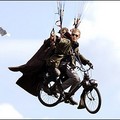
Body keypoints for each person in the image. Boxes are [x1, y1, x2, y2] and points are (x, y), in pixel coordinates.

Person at [46, 27, 93, 106]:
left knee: (78, 81)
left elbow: (78, 55)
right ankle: (58, 89)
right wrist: (55, 38)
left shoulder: (75, 46)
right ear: (70, 35)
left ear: (79, 37)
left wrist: (87, 62)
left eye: (76, 35)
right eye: (73, 35)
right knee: (76, 78)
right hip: (63, 64)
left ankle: (69, 95)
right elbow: (60, 41)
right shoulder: (67, 41)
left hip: (70, 66)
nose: (74, 36)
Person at [8, 29, 58, 96]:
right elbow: (47, 43)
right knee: (34, 67)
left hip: (49, 63)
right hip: (42, 60)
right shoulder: (51, 43)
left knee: (42, 75)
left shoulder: (62, 43)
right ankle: (22, 67)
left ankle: (54, 90)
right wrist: (52, 39)